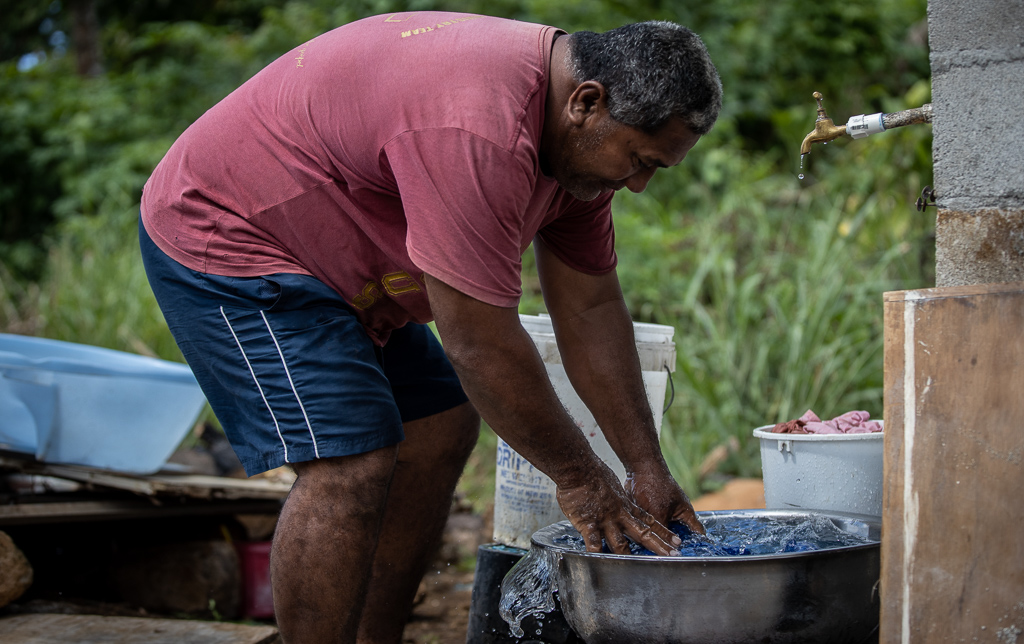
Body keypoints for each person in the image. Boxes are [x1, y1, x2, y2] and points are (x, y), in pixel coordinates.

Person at [139, 10, 721, 643]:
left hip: (335, 253)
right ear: (587, 101)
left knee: (439, 422)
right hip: (231, 234)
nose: (636, 185)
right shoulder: (476, 128)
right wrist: (584, 480)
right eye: (641, 161)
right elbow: (478, 344)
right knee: (350, 460)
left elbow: (589, 310)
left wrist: (646, 469)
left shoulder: (575, 149)